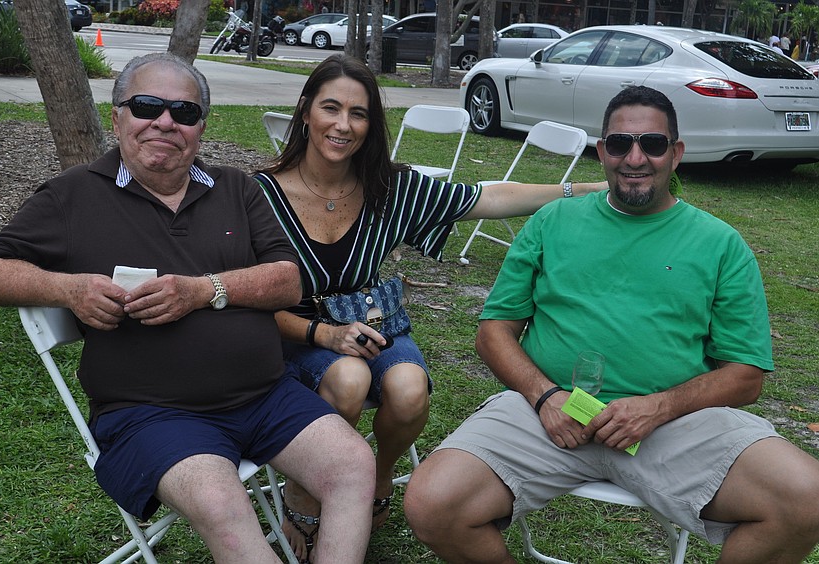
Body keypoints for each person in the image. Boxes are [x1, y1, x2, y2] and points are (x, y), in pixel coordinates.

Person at [0, 52, 376, 564]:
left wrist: (204, 290)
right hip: (151, 415)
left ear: (200, 128)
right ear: (117, 116)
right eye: (146, 106)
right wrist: (68, 290)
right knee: (221, 503)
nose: (164, 121)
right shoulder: (71, 196)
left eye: (183, 112)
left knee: (353, 466)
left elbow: (287, 280)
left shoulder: (237, 189)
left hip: (265, 396)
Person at [403, 85, 819, 563]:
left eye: (653, 144)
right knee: (431, 502)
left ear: (676, 153)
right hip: (549, 412)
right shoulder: (552, 222)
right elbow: (494, 332)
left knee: (807, 498)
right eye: (620, 143)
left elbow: (745, 375)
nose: (635, 157)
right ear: (602, 151)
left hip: (673, 423)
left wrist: (658, 408)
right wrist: (545, 396)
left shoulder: (720, 244)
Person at [253, 53, 607, 562]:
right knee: (349, 380)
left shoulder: (387, 190)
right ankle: (306, 495)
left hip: (375, 327)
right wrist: (324, 336)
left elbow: (484, 197)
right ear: (305, 110)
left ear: (371, 125)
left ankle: (375, 483)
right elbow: (247, 297)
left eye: (359, 113)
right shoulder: (259, 194)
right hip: (298, 335)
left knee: (408, 386)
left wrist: (581, 189)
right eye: (331, 108)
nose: (343, 125)